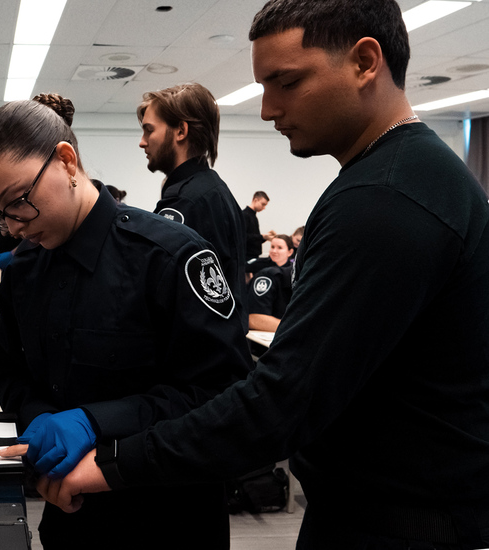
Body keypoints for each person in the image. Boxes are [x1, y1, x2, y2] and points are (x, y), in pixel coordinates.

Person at [32, 1, 489, 548]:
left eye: (286, 82)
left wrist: (114, 462)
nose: (268, 109)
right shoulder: (407, 176)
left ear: (366, 62)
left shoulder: (384, 199)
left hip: (401, 521)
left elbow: (283, 401)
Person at [0, 94, 253, 549]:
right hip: (71, 520)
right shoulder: (24, 271)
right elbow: (12, 369)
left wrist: (95, 422)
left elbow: (222, 393)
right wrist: (37, 416)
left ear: (66, 161)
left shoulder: (169, 256)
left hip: (170, 519)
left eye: (18, 202)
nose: (14, 226)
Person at [138, 83, 249, 330]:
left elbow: (159, 289)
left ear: (180, 131)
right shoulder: (214, 189)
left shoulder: (186, 202)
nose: (142, 142)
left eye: (148, 130)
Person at [248, 234, 294, 333]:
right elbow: (255, 318)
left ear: (290, 252)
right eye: (272, 247)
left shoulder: (293, 271)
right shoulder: (266, 273)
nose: (274, 251)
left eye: (279, 248)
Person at [243, 191, 277, 260]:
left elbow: (254, 239)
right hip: (247, 256)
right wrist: (262, 236)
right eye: (263, 204)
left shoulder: (253, 216)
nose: (264, 208)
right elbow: (243, 237)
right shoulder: (245, 215)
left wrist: (265, 238)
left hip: (253, 255)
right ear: (255, 200)